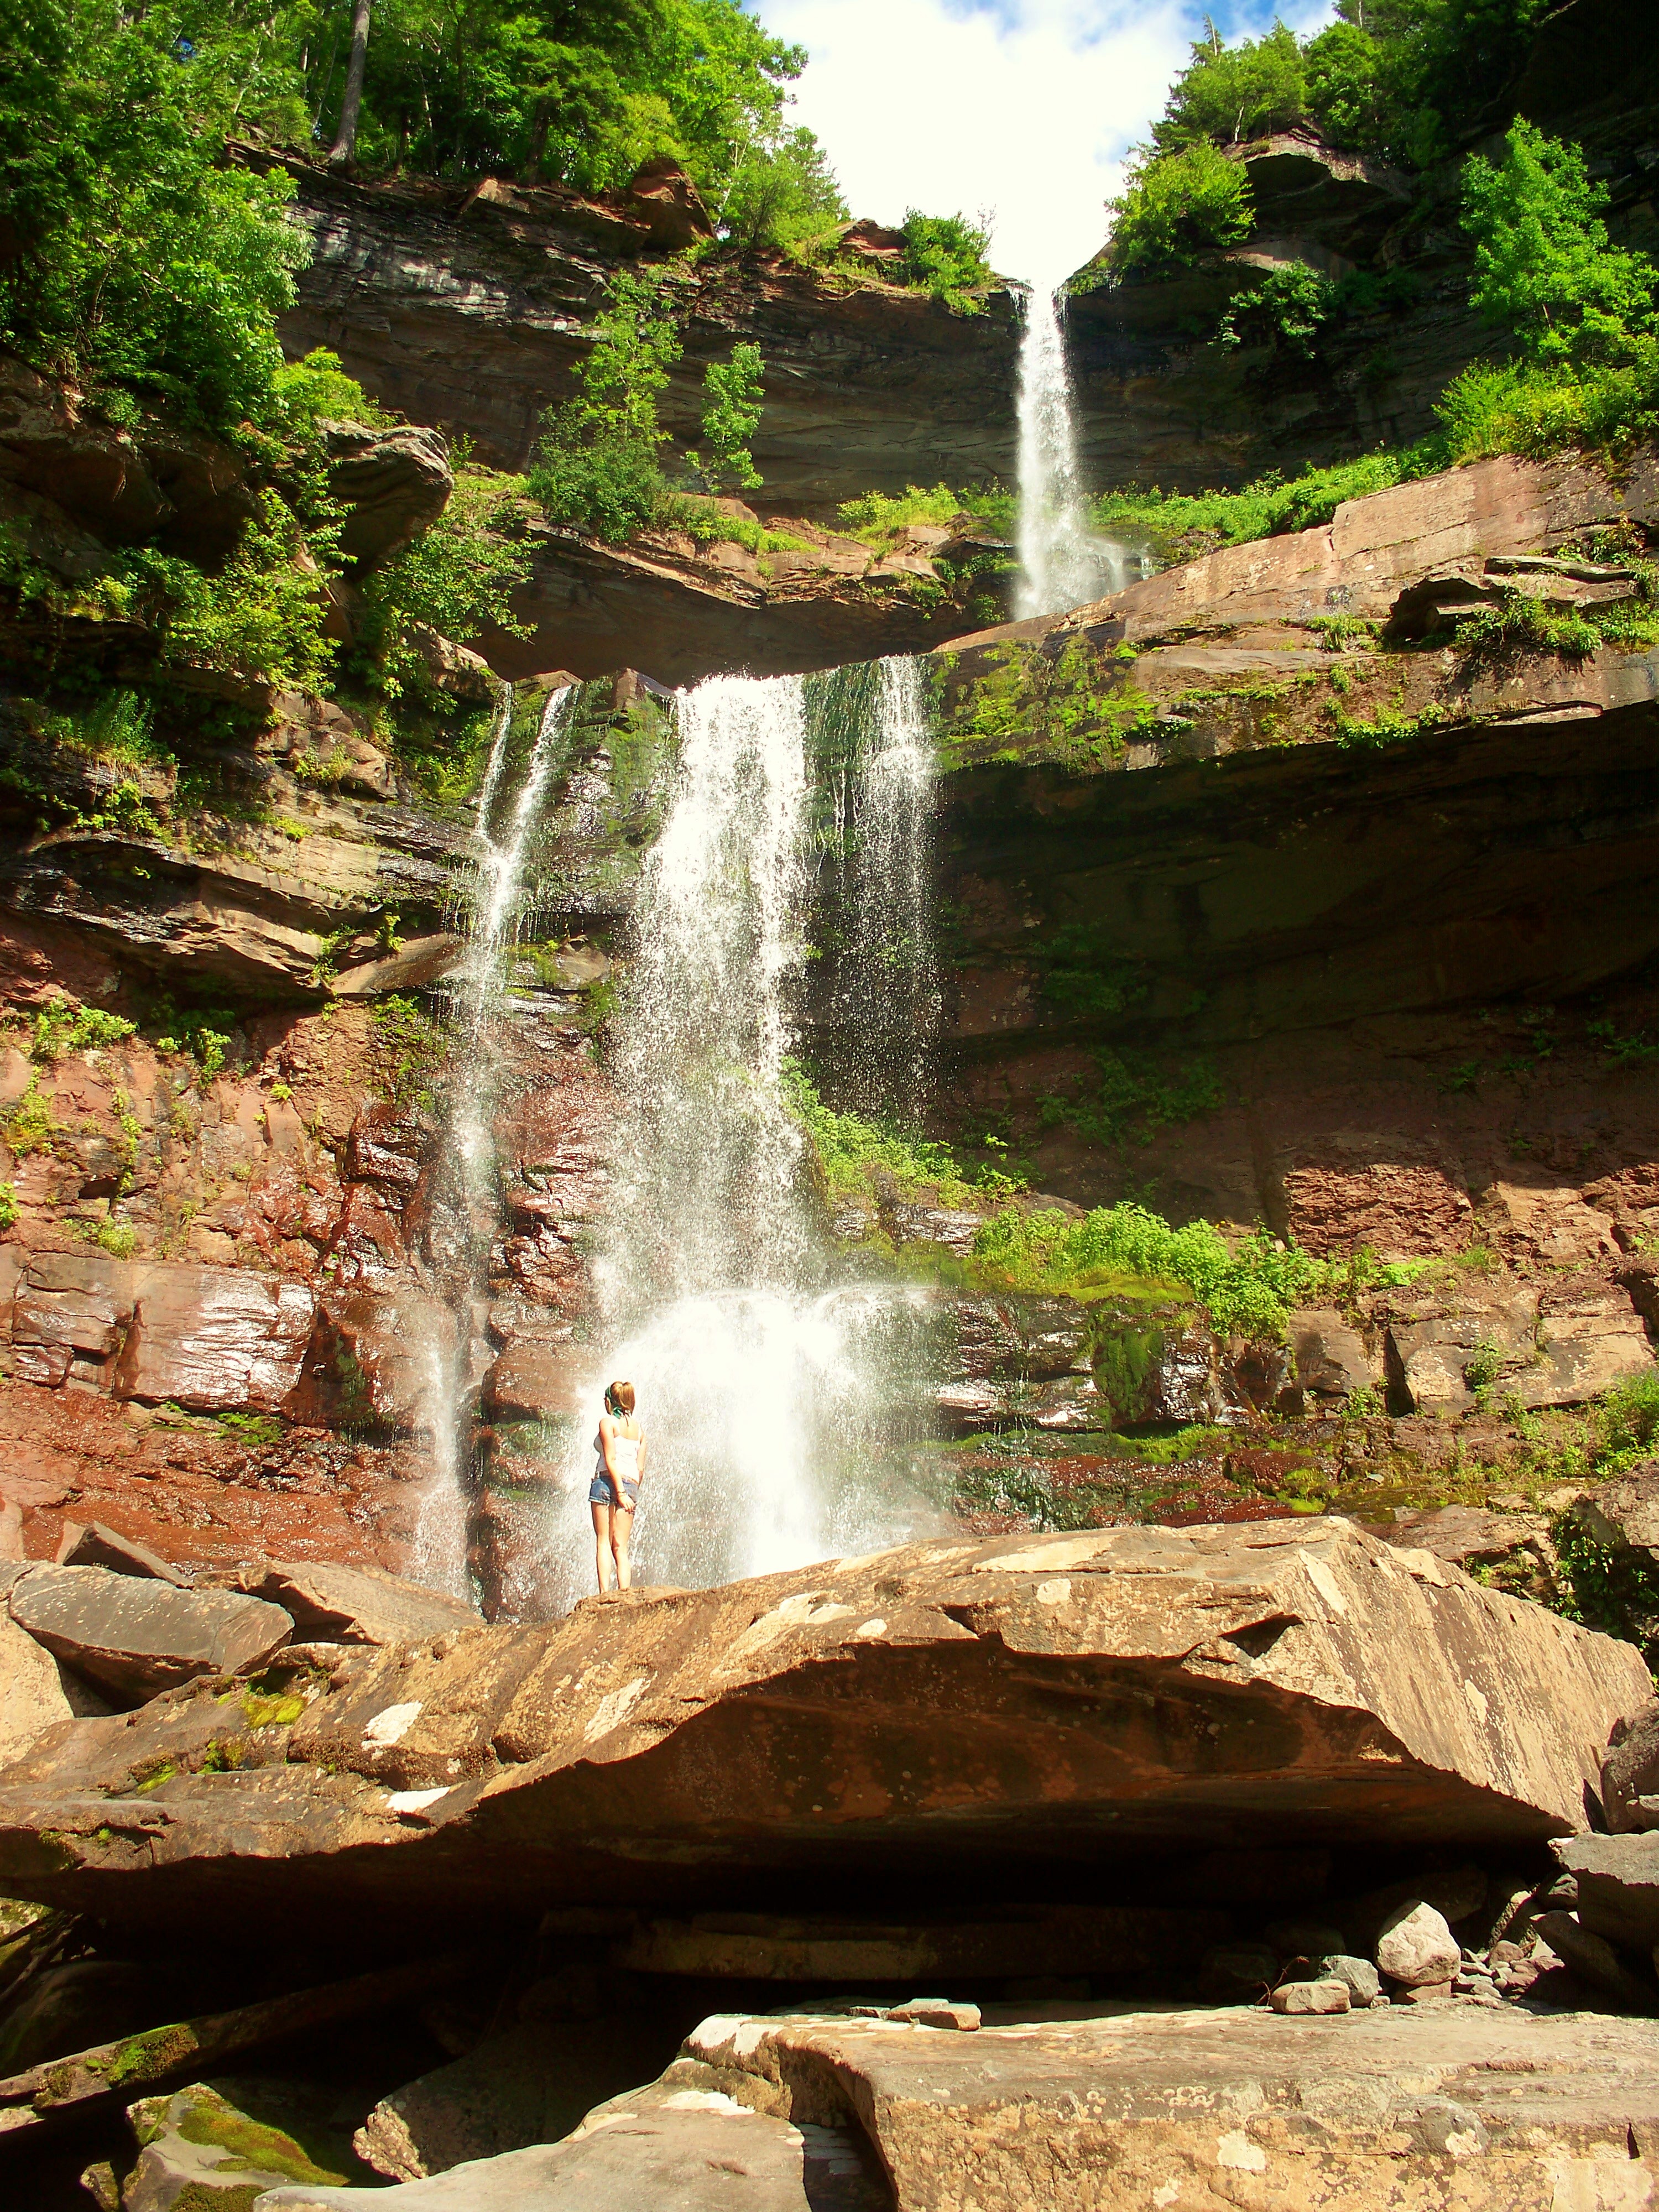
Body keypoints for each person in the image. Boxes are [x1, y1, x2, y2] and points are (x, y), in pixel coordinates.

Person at [589, 1380, 646, 1592]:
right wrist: (628, 1490)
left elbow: (611, 1459)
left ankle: (604, 1595)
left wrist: (619, 1492)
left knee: (604, 1541)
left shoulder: (608, 1423)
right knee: (621, 1547)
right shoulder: (640, 1431)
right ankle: (625, 1595)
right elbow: (640, 1469)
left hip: (606, 1483)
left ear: (609, 1401)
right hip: (631, 1485)